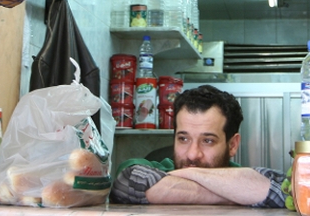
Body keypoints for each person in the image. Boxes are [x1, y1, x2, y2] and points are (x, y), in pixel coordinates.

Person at [111, 85, 287, 207]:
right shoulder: (157, 167)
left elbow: (285, 191)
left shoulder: (243, 176)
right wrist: (237, 194)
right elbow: (127, 180)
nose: (192, 155)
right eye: (183, 139)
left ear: (232, 145)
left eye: (208, 140)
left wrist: (172, 187)